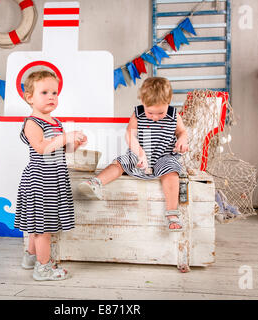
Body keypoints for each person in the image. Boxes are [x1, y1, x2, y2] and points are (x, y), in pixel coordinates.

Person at [78, 77, 188, 231]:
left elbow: (182, 131)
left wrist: (182, 140)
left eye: (160, 113)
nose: (155, 117)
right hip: (139, 154)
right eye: (150, 113)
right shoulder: (138, 114)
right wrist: (140, 154)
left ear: (168, 102)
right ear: (142, 102)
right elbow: (130, 135)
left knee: (172, 173)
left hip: (164, 156)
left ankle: (172, 213)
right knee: (121, 162)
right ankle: (96, 182)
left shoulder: (174, 115)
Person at [14, 70, 87, 280]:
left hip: (54, 179)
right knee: (42, 228)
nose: (51, 97)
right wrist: (65, 137)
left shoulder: (56, 122)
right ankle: (43, 267)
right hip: (39, 181)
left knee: (39, 223)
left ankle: (30, 257)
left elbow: (62, 149)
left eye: (54, 92)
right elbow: (41, 147)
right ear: (30, 98)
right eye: (44, 92)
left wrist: (74, 142)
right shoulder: (32, 122)